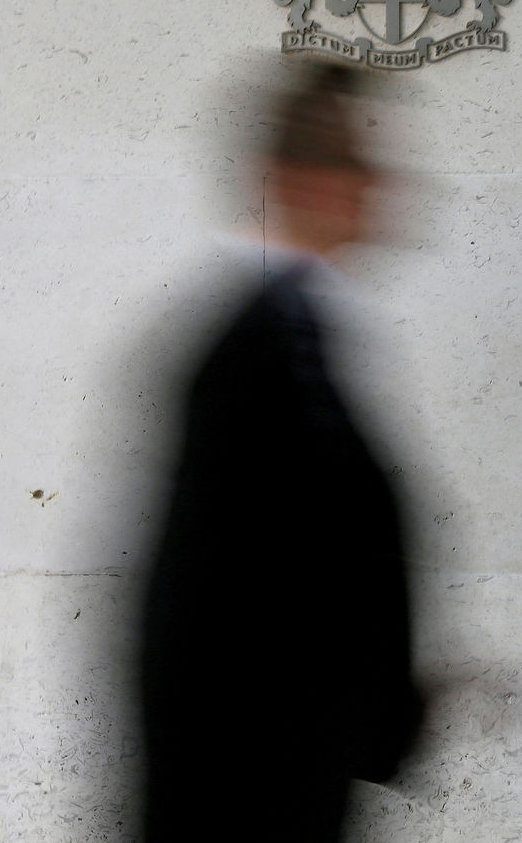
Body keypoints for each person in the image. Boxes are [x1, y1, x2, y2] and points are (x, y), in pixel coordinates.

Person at [139, 61, 421, 842]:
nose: (379, 185)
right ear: (289, 179)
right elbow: (198, 608)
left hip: (288, 782)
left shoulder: (299, 338)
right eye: (355, 162)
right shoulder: (252, 352)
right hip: (247, 795)